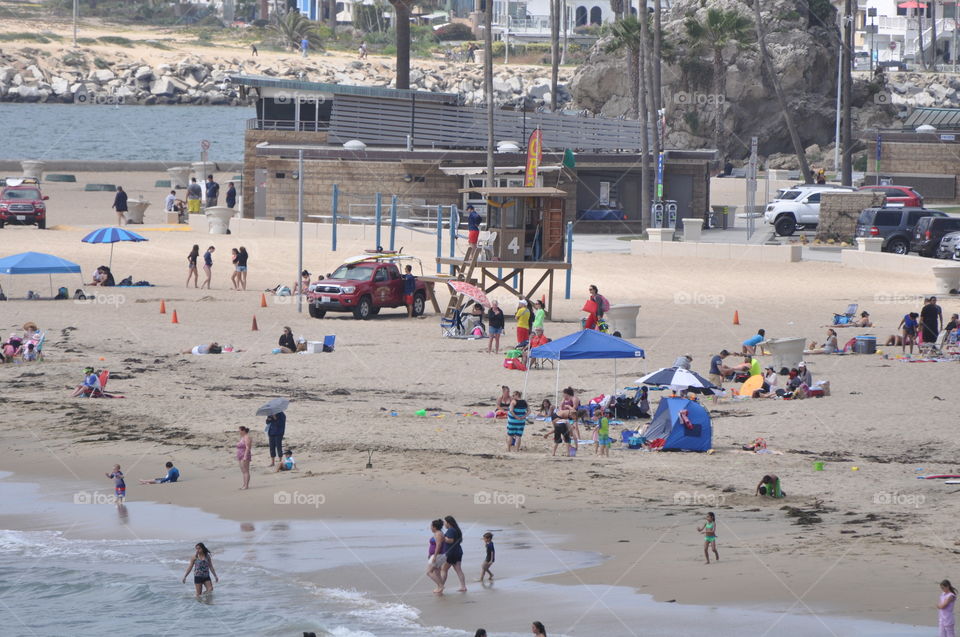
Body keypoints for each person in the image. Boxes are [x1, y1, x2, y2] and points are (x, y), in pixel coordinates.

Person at [438, 515, 466, 593]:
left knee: (444, 569)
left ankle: (441, 586)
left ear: (448, 523)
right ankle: (463, 587)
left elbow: (450, 540)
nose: (444, 524)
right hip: (458, 551)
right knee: (458, 570)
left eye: (445, 522)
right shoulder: (457, 529)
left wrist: (443, 537)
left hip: (451, 552)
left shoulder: (451, 530)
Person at [426, 519, 446, 593]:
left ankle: (441, 586)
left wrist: (434, 556)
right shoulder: (437, 533)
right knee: (437, 572)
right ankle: (439, 587)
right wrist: (430, 554)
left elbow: (438, 545)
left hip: (439, 555)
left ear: (434, 527)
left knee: (429, 572)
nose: (430, 528)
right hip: (437, 555)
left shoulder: (438, 534)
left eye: (431, 526)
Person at [237, 426, 252, 490]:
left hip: (245, 455)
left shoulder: (247, 437)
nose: (239, 432)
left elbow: (248, 448)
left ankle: (246, 485)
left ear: (243, 431)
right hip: (240, 455)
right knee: (243, 471)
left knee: (246, 471)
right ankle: (244, 484)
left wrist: (245, 456)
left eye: (239, 430)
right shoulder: (242, 437)